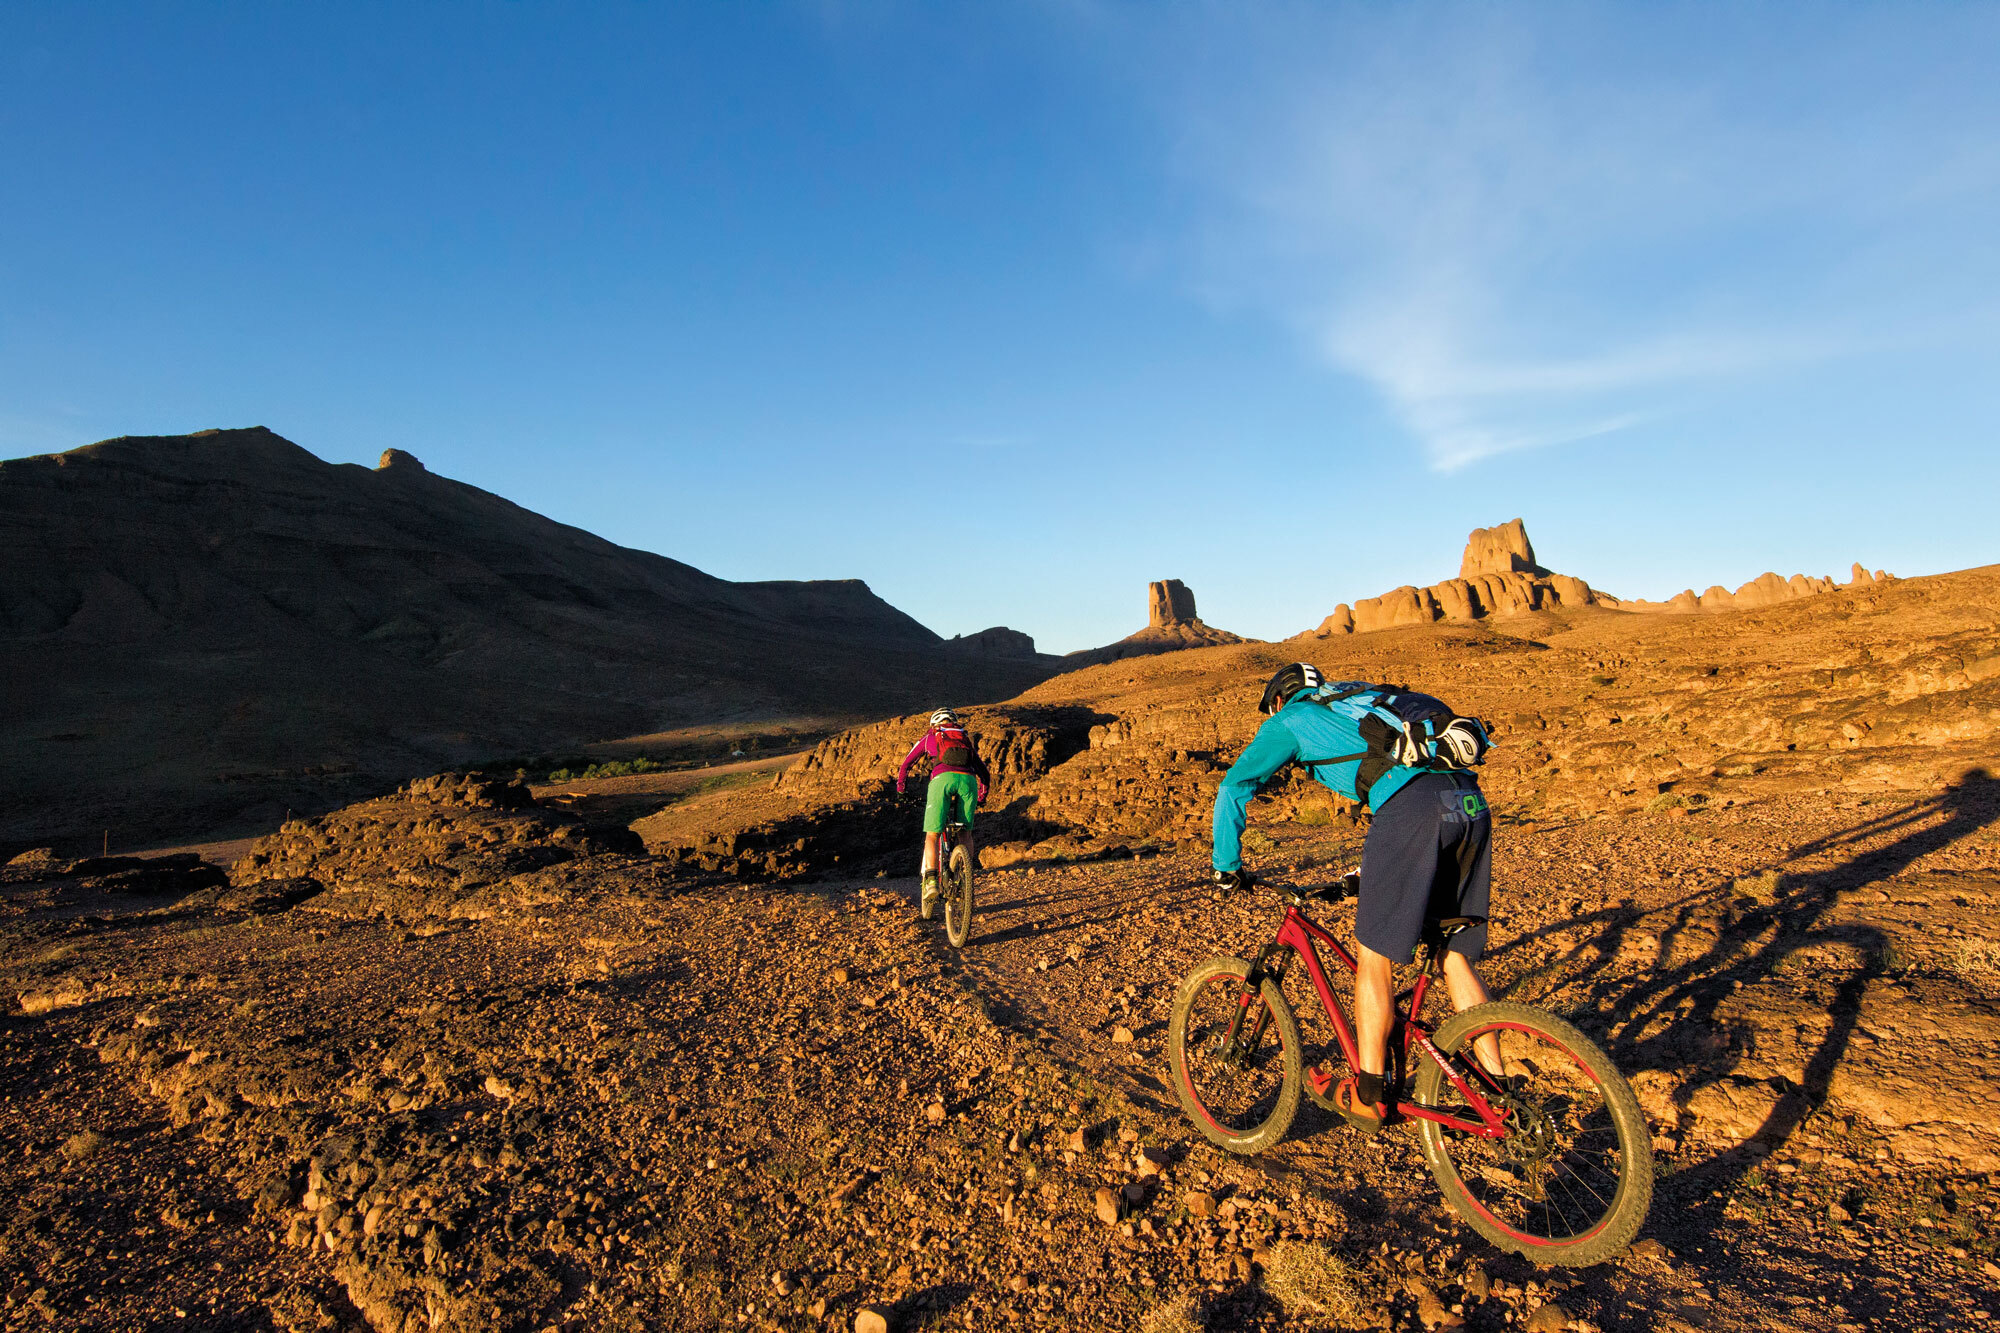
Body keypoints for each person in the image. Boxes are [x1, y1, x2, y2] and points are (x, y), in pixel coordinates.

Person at [1210, 663, 1500, 1135]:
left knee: (1374, 957)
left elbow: (1234, 786)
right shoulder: (1367, 698)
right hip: (1468, 802)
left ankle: (1368, 1096)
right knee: (1454, 958)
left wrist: (1227, 866)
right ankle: (1497, 1088)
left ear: (1280, 699)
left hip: (1412, 808)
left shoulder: (1290, 720)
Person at [895, 708, 992, 919]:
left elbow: (906, 764)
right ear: (954, 723)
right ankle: (965, 876)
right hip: (968, 784)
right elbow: (984, 772)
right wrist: (981, 797)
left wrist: (901, 790)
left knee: (933, 834)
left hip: (942, 781)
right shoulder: (964, 738)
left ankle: (931, 882)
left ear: (934, 724)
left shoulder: (931, 736)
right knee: (965, 833)